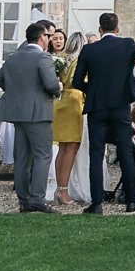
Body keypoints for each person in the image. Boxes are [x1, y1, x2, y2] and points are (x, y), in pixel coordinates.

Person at [74, 11, 135, 214]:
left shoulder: (89, 49)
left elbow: (77, 81)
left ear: (100, 29)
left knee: (96, 154)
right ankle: (131, 201)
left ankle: (97, 203)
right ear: (117, 28)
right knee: (125, 152)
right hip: (121, 105)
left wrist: (92, 91)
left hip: (97, 107)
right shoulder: (127, 44)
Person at [0, 19, 63, 213]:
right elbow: (51, 84)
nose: (49, 39)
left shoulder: (13, 57)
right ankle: (37, 198)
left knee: (22, 157)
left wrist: (16, 92)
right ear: (42, 37)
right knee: (43, 155)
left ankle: (24, 199)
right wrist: (59, 87)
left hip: (18, 112)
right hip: (38, 112)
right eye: (48, 36)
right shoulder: (43, 57)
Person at [49, 24, 86, 204]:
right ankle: (63, 189)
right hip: (74, 102)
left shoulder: (61, 59)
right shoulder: (79, 60)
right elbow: (79, 81)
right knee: (71, 147)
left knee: (63, 148)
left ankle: (60, 186)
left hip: (60, 101)